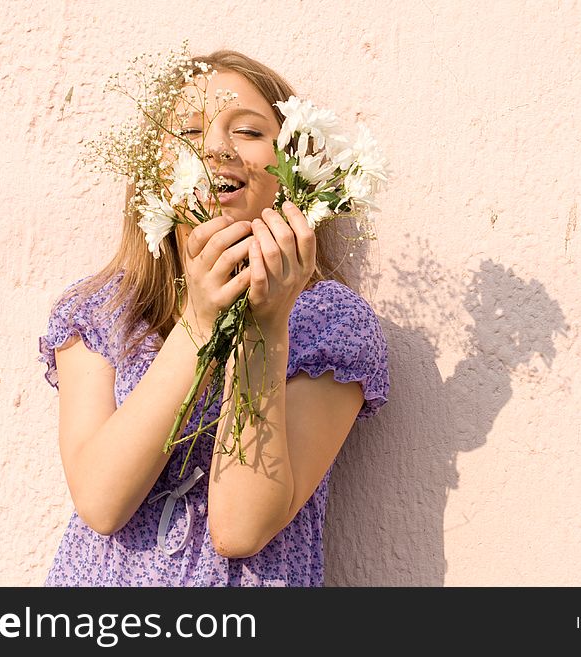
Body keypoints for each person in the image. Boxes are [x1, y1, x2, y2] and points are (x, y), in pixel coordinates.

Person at [38, 50, 389, 586]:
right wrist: (200, 325)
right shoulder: (104, 311)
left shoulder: (329, 323)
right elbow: (101, 502)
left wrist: (265, 325)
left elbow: (241, 529)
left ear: (292, 166)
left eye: (248, 131)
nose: (218, 147)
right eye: (188, 131)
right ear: (152, 173)